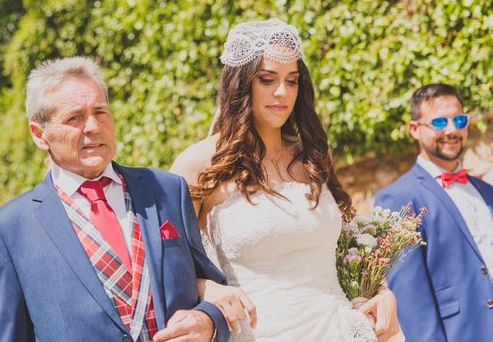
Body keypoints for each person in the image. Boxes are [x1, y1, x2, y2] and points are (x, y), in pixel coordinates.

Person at [171, 18, 401, 342]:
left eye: (292, 81)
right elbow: (167, 260)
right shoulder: (199, 163)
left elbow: (346, 244)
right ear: (241, 82)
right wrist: (206, 288)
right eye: (267, 79)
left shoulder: (312, 156)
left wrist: (383, 291)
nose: (282, 92)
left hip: (342, 330)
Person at [0, 57, 230, 341]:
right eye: (74, 118)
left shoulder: (168, 190)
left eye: (100, 112)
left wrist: (208, 321)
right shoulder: (8, 231)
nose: (93, 126)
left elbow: (213, 288)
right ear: (39, 134)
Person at [375, 83, 493, 341]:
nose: (452, 130)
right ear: (415, 130)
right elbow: (411, 299)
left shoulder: (487, 191)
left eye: (459, 120)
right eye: (439, 122)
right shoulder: (397, 200)